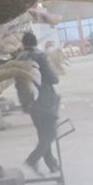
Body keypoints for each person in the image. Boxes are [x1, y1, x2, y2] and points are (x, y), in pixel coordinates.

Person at [17, 31, 60, 177]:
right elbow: (53, 79)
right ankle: (32, 160)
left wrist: (24, 104)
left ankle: (52, 164)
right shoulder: (40, 56)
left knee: (43, 134)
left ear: (23, 44)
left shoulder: (19, 58)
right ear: (35, 42)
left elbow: (18, 84)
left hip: (30, 103)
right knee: (50, 134)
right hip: (45, 101)